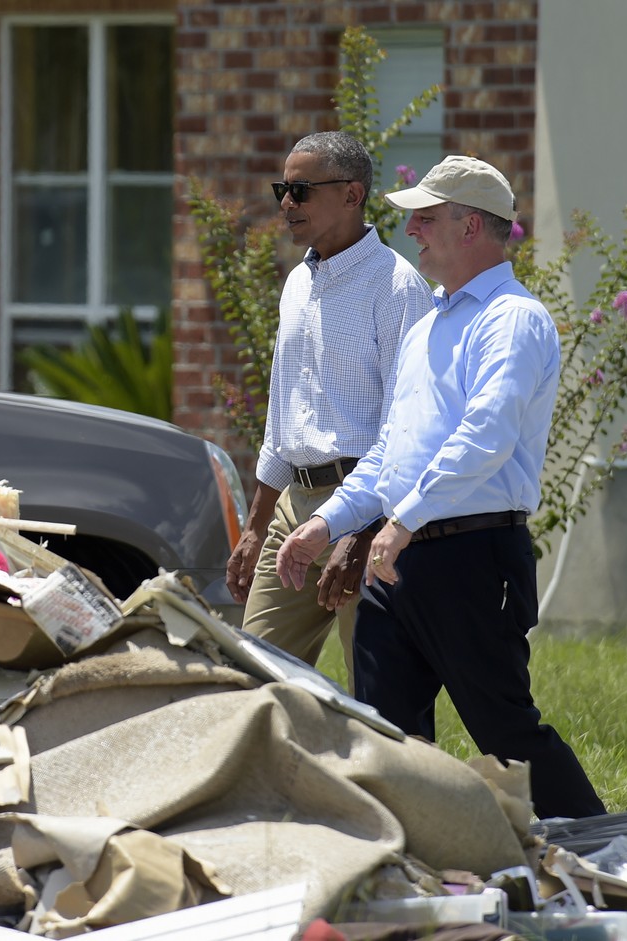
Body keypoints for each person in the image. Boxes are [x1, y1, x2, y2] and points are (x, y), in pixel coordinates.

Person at [275, 155, 606, 821]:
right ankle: (415, 878)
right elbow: (391, 453)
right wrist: (329, 522)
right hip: (399, 562)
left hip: (473, 556)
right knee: (385, 736)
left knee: (506, 733)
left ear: (473, 227)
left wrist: (403, 522)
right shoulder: (428, 326)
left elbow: (486, 436)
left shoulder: (514, 319)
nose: (413, 229)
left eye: (426, 216)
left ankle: (613, 857)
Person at [226, 131, 432, 683]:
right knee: (254, 679)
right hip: (292, 508)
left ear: (352, 194)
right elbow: (281, 414)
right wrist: (255, 525)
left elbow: (407, 427)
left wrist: (363, 531)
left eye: (301, 191)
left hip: (363, 510)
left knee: (378, 693)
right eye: (282, 190)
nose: (286, 204)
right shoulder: (296, 283)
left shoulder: (397, 287)